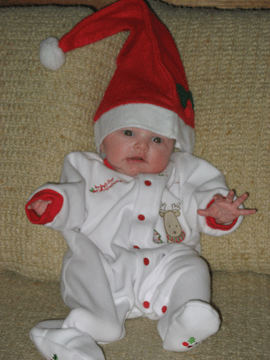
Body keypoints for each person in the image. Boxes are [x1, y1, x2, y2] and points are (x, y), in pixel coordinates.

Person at [25, 1, 256, 359]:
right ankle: (71, 337)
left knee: (193, 268)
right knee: (100, 311)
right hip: (104, 263)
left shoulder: (186, 170)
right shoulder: (86, 167)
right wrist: (52, 205)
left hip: (165, 263)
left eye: (158, 140)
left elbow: (202, 202)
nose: (142, 145)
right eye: (129, 131)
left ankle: (181, 325)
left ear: (174, 145)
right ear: (103, 139)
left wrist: (217, 211)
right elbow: (71, 198)